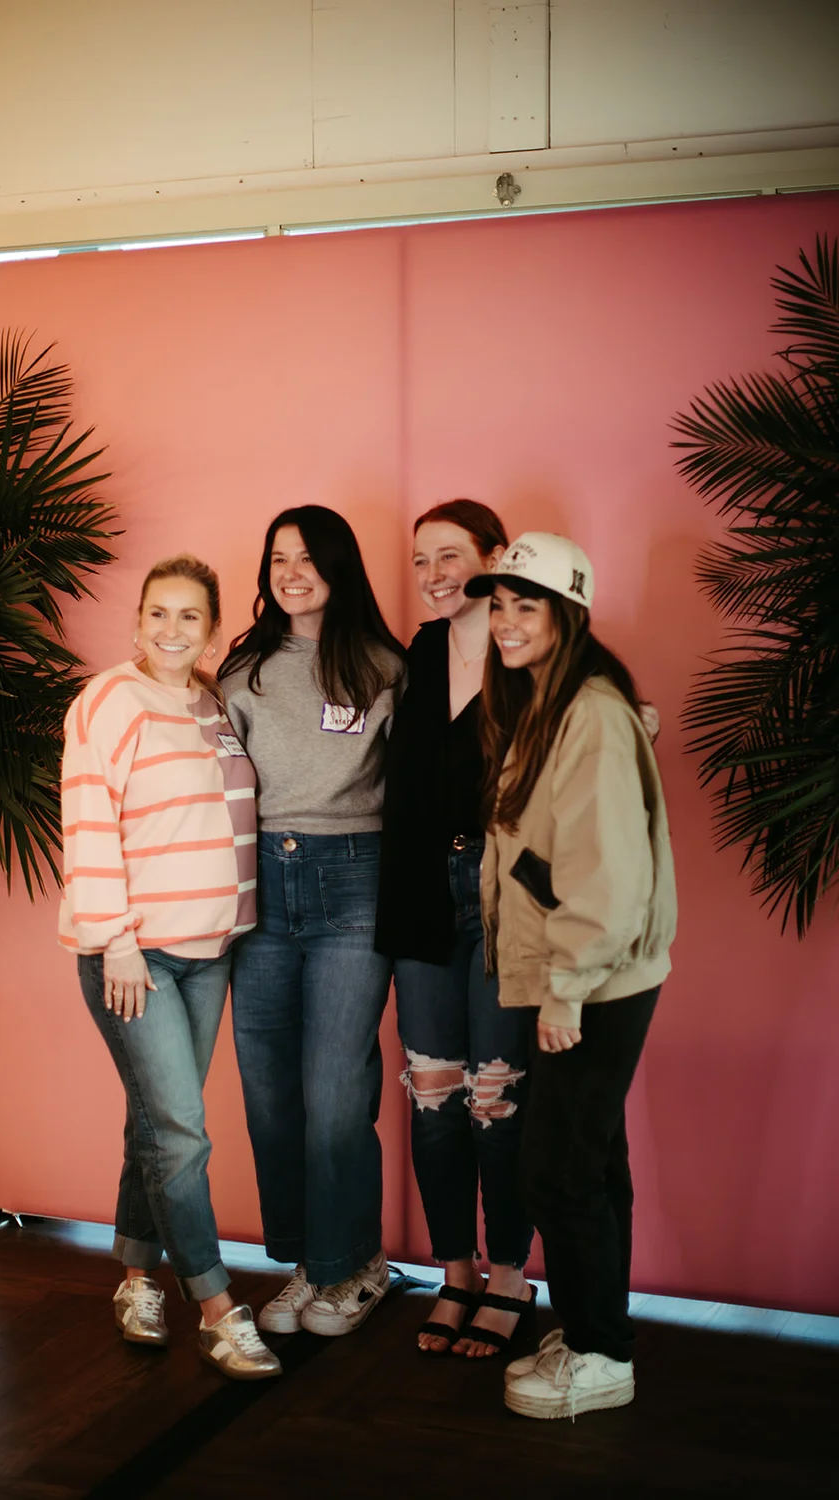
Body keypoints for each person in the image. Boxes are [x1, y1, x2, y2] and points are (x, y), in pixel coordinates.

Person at [467, 532, 676, 1419]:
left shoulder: (586, 712)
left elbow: (605, 873)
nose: (507, 622)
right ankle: (602, 1333)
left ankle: (599, 1352)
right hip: (592, 974)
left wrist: (566, 988)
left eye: (528, 605)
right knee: (593, 1163)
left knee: (557, 1171)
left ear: (568, 614)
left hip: (593, 980)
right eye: (501, 604)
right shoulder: (550, 703)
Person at [58, 554, 281, 1381]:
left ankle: (134, 1276)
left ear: (211, 628)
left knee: (154, 1124)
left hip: (211, 951)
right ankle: (218, 1308)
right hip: (136, 955)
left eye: (190, 616)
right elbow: (86, 822)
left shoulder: (216, 702)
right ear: (138, 620)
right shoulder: (110, 701)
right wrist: (114, 938)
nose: (172, 630)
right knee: (182, 1131)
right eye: (159, 613)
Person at [220, 505, 404, 1337]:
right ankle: (309, 1263)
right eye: (277, 559)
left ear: (339, 566)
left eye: (306, 558)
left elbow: (422, 783)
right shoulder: (244, 668)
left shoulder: (383, 666)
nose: (289, 573)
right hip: (261, 887)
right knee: (269, 1095)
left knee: (336, 1093)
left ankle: (355, 1265)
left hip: (353, 884)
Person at [376, 500, 537, 1358]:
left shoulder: (532, 656)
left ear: (494, 558)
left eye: (450, 557)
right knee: (435, 1099)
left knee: (497, 1097)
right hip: (421, 898)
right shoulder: (419, 655)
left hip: (504, 897)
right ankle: (456, 1273)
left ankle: (511, 1274)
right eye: (422, 562)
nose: (435, 575)